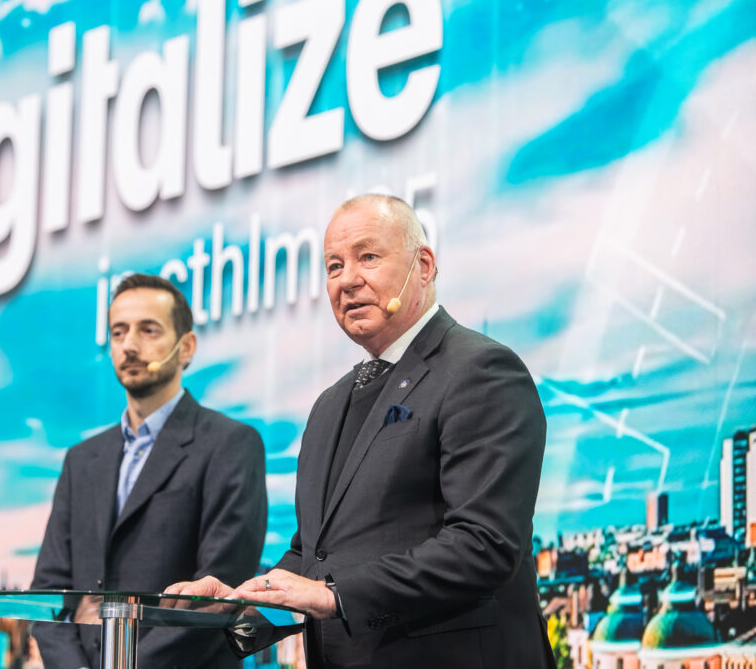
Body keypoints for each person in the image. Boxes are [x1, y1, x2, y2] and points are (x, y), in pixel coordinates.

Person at [168, 195, 555, 668]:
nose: (348, 280)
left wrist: (333, 595)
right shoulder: (329, 404)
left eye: (368, 257)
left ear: (425, 265)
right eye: (334, 266)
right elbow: (313, 555)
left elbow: (484, 543)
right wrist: (244, 603)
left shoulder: (481, 370)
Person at [31, 273, 267, 669]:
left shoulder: (230, 444)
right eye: (119, 332)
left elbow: (215, 595)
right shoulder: (81, 460)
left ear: (186, 347)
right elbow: (48, 593)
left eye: (149, 330)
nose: (130, 345)